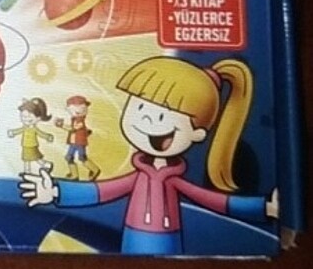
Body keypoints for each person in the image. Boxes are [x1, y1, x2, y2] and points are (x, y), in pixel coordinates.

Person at [20, 56, 278, 254]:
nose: (145, 120)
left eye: (163, 116)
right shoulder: (138, 175)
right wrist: (56, 193)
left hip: (170, 245)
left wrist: (263, 208)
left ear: (198, 134)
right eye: (140, 106)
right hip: (132, 243)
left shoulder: (174, 180)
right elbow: (102, 191)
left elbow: (213, 200)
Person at [55, 94, 99, 181]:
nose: (78, 110)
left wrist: (61, 125)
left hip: (79, 142)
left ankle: (95, 170)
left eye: (80, 107)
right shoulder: (74, 119)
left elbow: (73, 129)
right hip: (73, 142)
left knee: (82, 157)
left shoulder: (80, 120)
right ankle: (74, 175)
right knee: (69, 157)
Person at [8, 97, 54, 174]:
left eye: (29, 117)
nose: (25, 119)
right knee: (26, 159)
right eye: (23, 117)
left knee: (36, 158)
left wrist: (47, 136)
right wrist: (13, 132)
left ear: (38, 118)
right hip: (25, 145)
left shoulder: (34, 129)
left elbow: (41, 133)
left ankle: (46, 165)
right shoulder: (25, 127)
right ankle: (27, 172)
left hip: (32, 145)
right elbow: (19, 130)